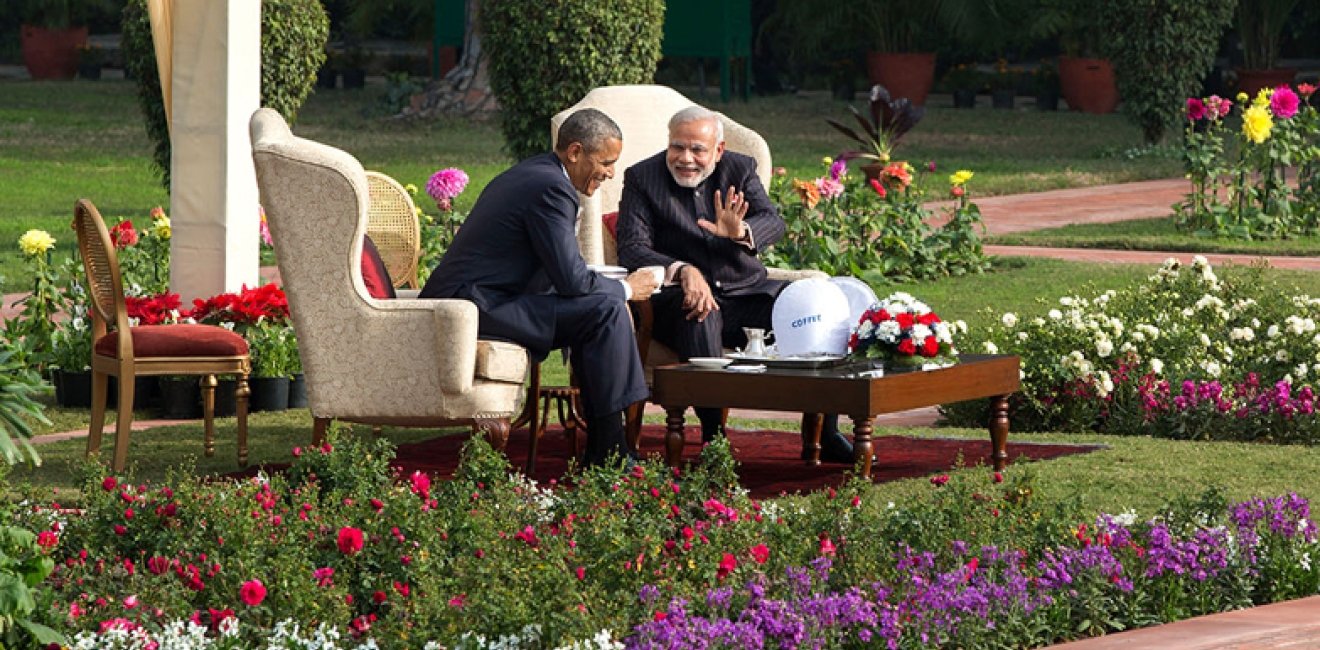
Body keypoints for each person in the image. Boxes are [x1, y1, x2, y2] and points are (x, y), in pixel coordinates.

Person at [419, 108, 658, 467]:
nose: (610, 173)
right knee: (606, 309)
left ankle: (608, 449)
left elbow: (563, 268)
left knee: (602, 310)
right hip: (469, 308)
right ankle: (610, 454)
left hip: (487, 299)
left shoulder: (537, 174)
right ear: (575, 152)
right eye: (606, 161)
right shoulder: (551, 187)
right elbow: (571, 280)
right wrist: (625, 288)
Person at [616, 106, 855, 462]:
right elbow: (632, 247)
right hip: (680, 302)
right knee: (701, 312)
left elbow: (772, 222)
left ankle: (829, 429)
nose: (685, 158)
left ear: (719, 150)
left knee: (814, 308)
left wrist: (741, 231)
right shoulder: (642, 177)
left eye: (697, 149)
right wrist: (683, 270)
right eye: (677, 147)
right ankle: (715, 442)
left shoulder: (739, 169)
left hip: (747, 293)